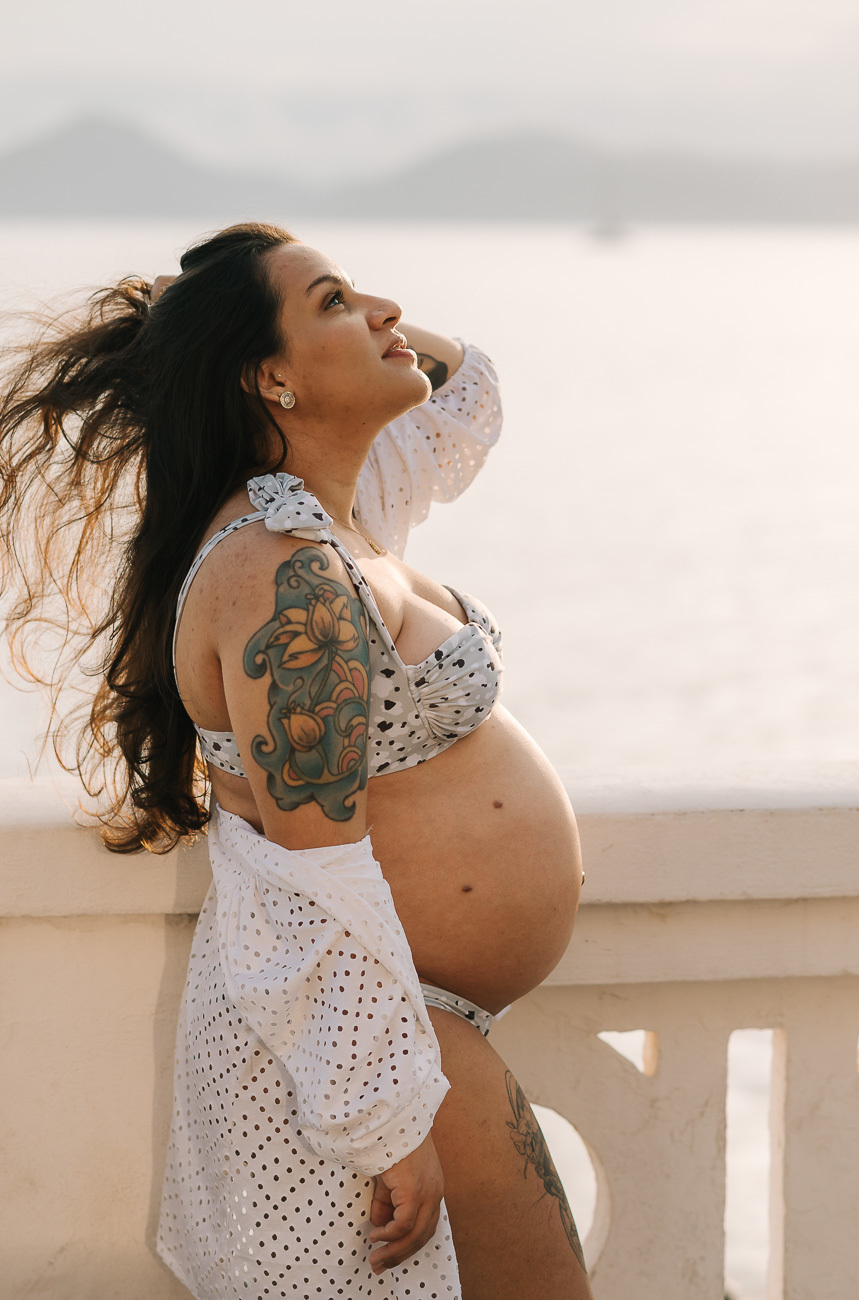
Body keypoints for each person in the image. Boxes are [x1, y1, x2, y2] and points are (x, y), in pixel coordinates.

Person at [0, 222, 591, 1299]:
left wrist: (297, 310)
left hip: (416, 1035)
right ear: (270, 379)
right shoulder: (282, 569)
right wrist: (383, 1121)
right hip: (375, 1053)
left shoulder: (344, 517)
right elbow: (313, 870)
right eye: (334, 302)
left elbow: (469, 392)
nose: (384, 312)